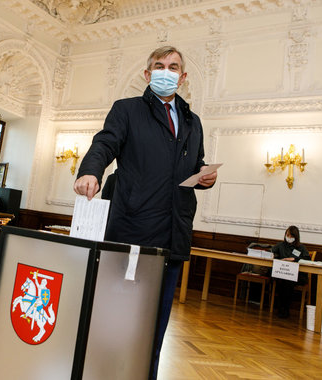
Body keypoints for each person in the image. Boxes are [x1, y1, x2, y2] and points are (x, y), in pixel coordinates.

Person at [73, 46, 217, 379]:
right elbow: (104, 143)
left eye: (174, 67)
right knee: (117, 322)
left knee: (155, 329)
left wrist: (205, 176)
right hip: (131, 235)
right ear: (147, 73)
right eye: (159, 66)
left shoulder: (193, 123)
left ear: (183, 77)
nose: (166, 71)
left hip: (172, 238)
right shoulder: (127, 111)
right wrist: (91, 171)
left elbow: (193, 167)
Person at [272, 226, 311, 318]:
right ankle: (281, 308)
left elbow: (307, 258)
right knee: (281, 280)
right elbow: (272, 252)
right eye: (287, 235)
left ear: (295, 236)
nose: (288, 237)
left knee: (288, 282)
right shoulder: (280, 245)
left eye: (291, 235)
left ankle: (285, 308)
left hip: (296, 275)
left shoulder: (301, 247)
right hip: (282, 273)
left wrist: (294, 259)